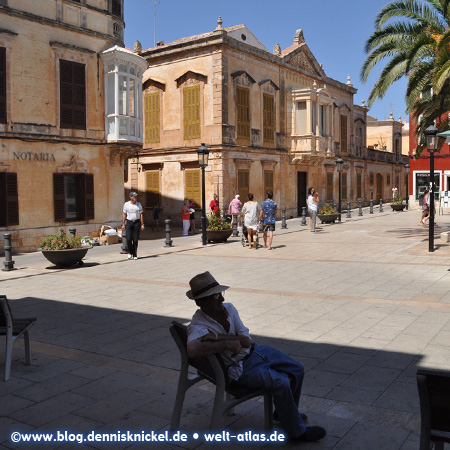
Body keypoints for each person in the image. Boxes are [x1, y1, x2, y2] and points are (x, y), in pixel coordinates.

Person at [186, 272, 327, 443]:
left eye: (220, 294)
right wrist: (227, 344)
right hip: (239, 368)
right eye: (215, 296)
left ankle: (283, 414)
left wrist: (221, 338)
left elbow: (245, 340)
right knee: (281, 382)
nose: (221, 300)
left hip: (255, 351)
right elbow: (192, 350)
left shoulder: (229, 308)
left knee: (297, 368)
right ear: (200, 302)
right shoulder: (199, 324)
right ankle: (296, 432)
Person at [122, 192, 144, 260]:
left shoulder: (138, 204)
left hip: (136, 223)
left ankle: (135, 254)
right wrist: (123, 224)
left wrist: (142, 224)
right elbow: (124, 214)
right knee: (128, 238)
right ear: (131, 197)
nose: (136, 198)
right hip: (129, 222)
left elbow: (141, 214)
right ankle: (130, 252)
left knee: (135, 239)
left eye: (136, 196)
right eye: (134, 196)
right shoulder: (126, 204)